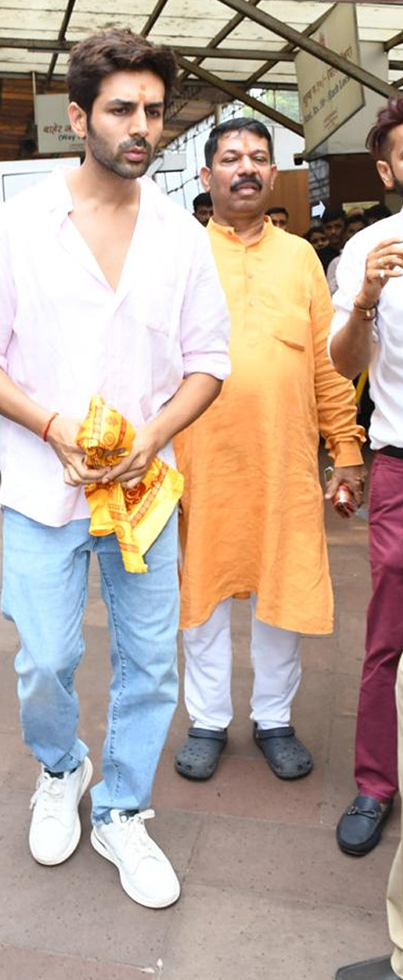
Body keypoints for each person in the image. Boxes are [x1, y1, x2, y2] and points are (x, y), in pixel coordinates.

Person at [0, 28, 230, 909]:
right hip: (44, 491)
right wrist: (50, 422)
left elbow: (209, 360)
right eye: (122, 109)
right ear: (79, 117)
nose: (141, 126)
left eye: (153, 111)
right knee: (46, 657)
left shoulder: (183, 240)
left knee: (151, 665)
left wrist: (154, 434)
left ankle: (121, 809)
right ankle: (61, 765)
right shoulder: (11, 229)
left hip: (146, 497)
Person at [172, 117, 365, 783]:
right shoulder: (181, 257)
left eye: (258, 157)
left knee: (283, 592)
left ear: (272, 173)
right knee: (201, 594)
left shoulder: (302, 259)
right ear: (207, 177)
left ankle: (275, 718)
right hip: (200, 463)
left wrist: (346, 449)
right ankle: (208, 719)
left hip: (284, 461)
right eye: (231, 158)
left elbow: (327, 366)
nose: (245, 167)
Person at [330, 97, 403, 979]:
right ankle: (377, 785)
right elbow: (345, 364)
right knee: (388, 634)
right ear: (386, 169)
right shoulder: (366, 249)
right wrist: (366, 300)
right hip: (398, 466)